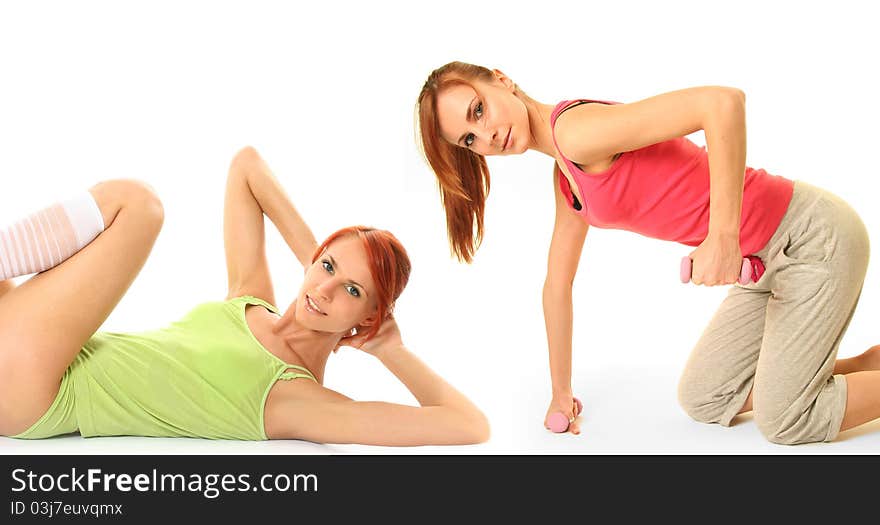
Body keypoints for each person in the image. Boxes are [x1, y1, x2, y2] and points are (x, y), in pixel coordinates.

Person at [416, 61, 880, 445]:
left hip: (811, 239)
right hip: (763, 267)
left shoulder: (576, 131)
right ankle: (861, 368)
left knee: (785, 420)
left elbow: (721, 102)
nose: (486, 135)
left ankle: (802, 391)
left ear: (502, 80)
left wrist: (722, 237)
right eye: (469, 140)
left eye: (479, 111)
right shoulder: (566, 178)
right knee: (706, 398)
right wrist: (561, 393)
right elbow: (556, 286)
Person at [0, 146, 489, 446]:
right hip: (36, 349)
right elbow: (247, 165)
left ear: (367, 318)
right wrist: (317, 263)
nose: (324, 288)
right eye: (328, 266)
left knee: (139, 204)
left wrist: (390, 348)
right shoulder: (252, 300)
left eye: (352, 291)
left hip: (37, 390)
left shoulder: (296, 399)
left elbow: (468, 425)